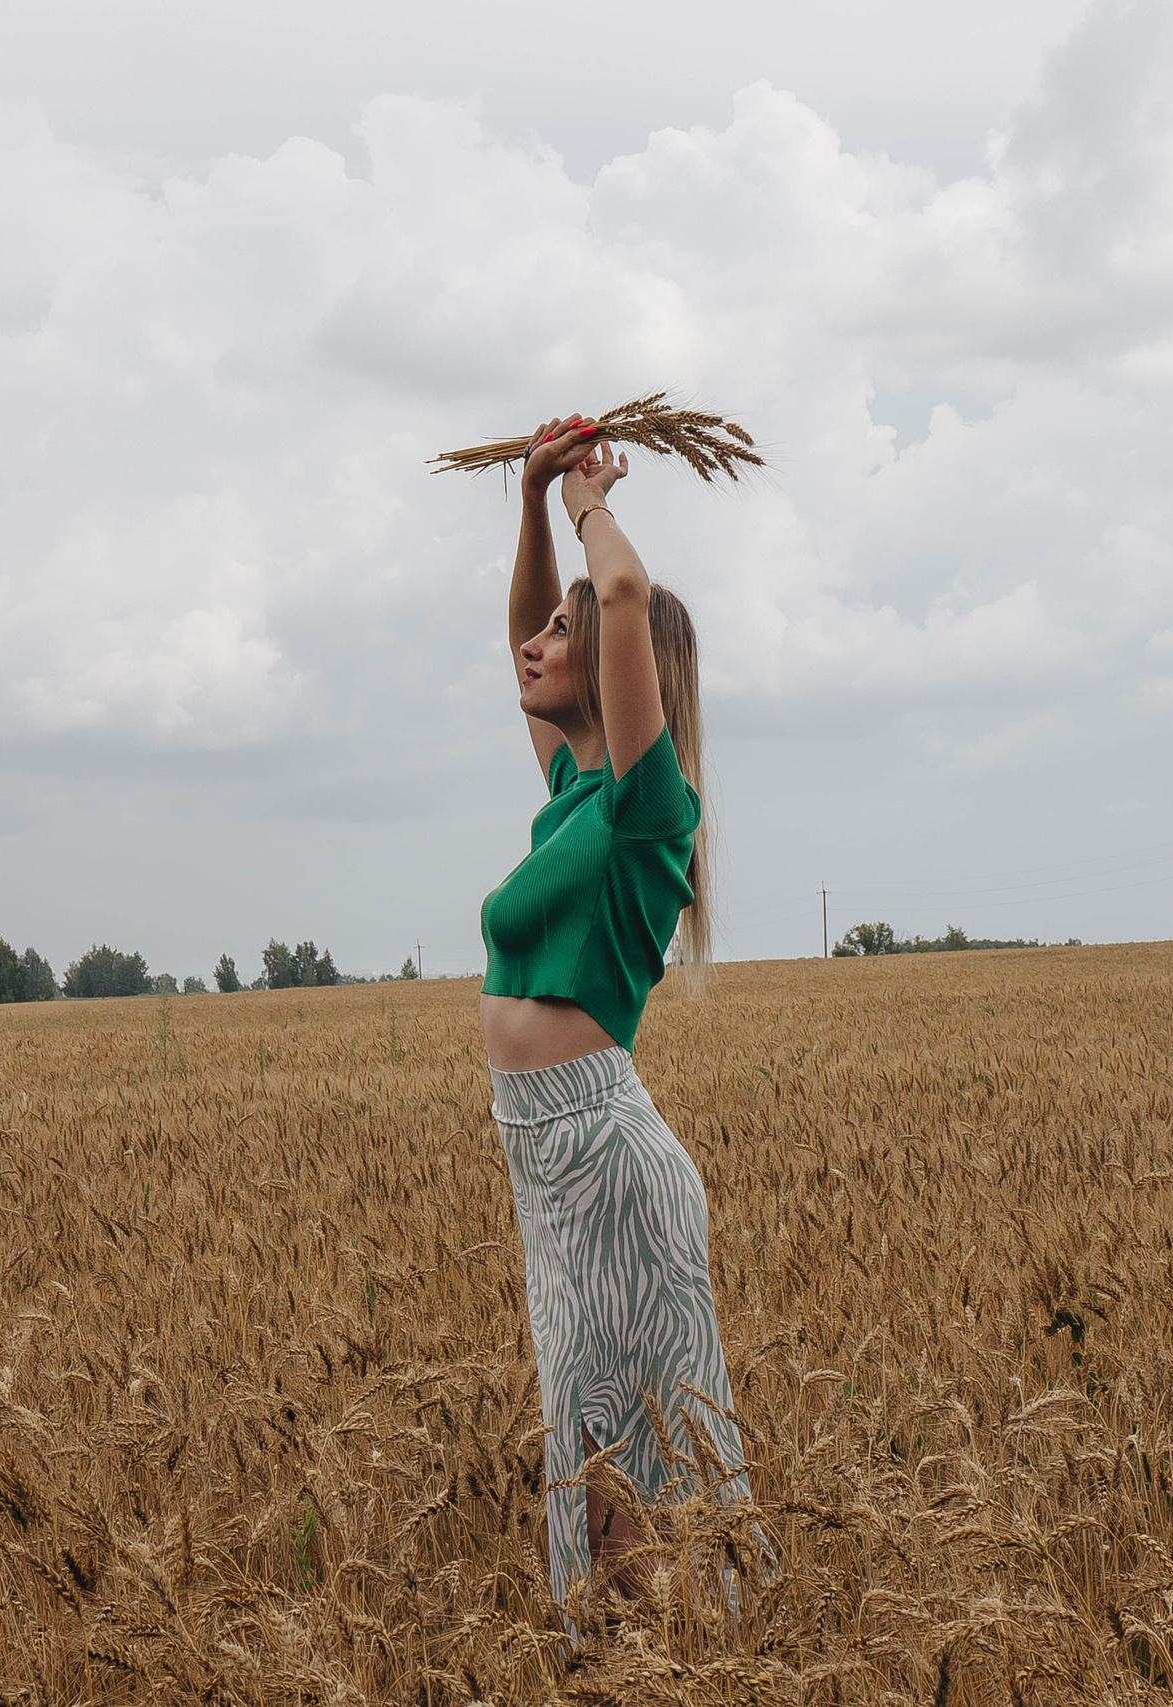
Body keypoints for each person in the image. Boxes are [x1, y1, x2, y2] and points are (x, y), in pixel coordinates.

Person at [478, 413, 755, 1619]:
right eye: (545, 627)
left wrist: (589, 497)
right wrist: (532, 503)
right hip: (546, 1165)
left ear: (616, 661)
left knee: (635, 1463)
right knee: (587, 1450)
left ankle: (697, 1661)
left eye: (560, 631)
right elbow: (531, 642)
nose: (536, 642)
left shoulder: (650, 810)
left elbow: (626, 594)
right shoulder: (573, 795)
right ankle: (631, 1664)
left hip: (606, 1162)